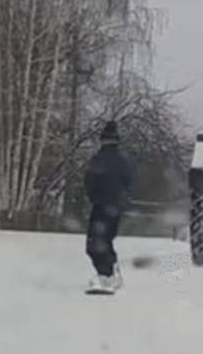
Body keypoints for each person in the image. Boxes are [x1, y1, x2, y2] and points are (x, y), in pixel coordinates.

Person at [84, 120, 133, 292]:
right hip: (115, 207)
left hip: (100, 205)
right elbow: (129, 183)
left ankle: (106, 275)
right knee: (105, 239)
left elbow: (89, 182)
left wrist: (93, 198)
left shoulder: (97, 160)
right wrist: (122, 201)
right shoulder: (123, 162)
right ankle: (110, 272)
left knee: (95, 242)